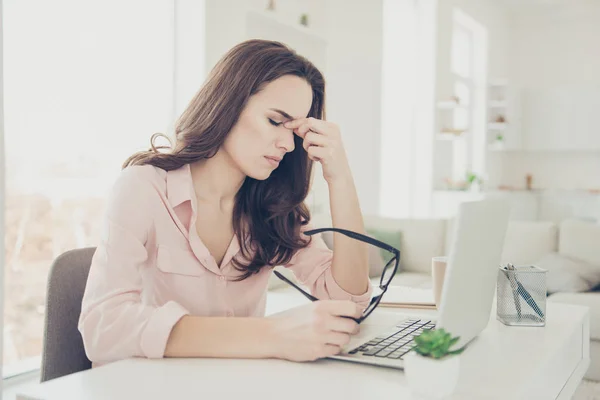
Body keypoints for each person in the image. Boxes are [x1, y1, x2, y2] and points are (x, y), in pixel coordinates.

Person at [78, 39, 372, 365]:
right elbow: (103, 327)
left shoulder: (272, 208)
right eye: (275, 121)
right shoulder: (143, 188)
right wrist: (271, 335)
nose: (288, 144)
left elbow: (349, 301)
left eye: (296, 132)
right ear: (228, 105)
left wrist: (340, 178)